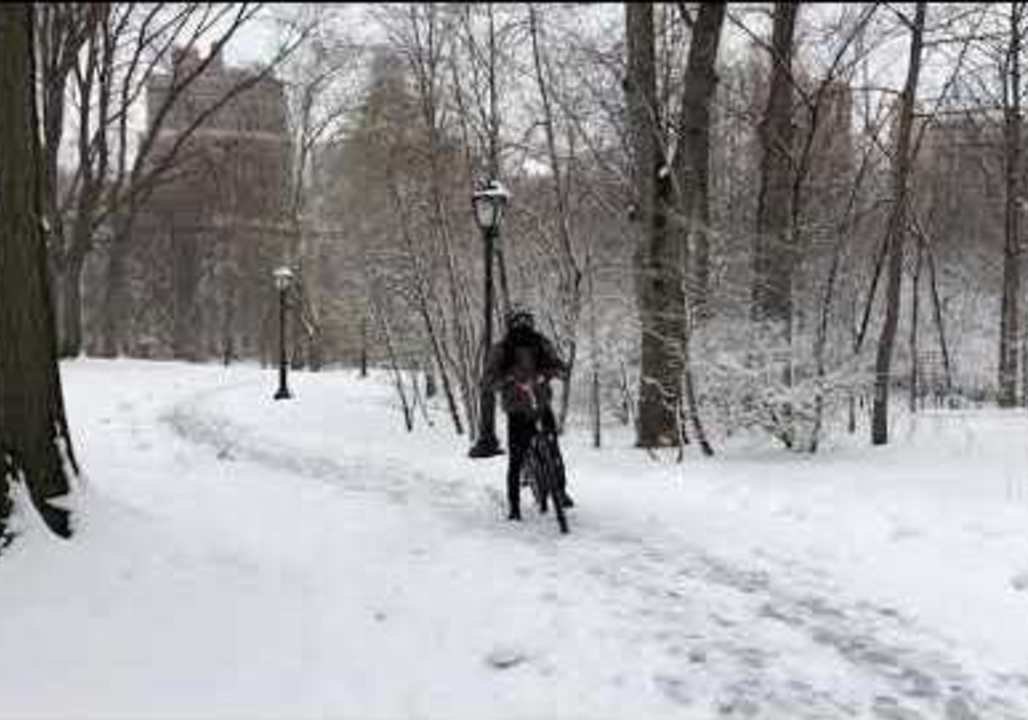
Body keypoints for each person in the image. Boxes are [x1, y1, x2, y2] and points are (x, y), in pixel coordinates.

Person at [483, 307, 574, 521]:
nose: (523, 326)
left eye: (526, 321)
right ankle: (514, 507)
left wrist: (551, 374)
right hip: (517, 409)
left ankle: (560, 492)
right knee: (516, 459)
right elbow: (487, 380)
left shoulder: (541, 344)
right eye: (519, 322)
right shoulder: (501, 349)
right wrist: (508, 380)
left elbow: (559, 366)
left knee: (553, 450)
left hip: (541, 405)